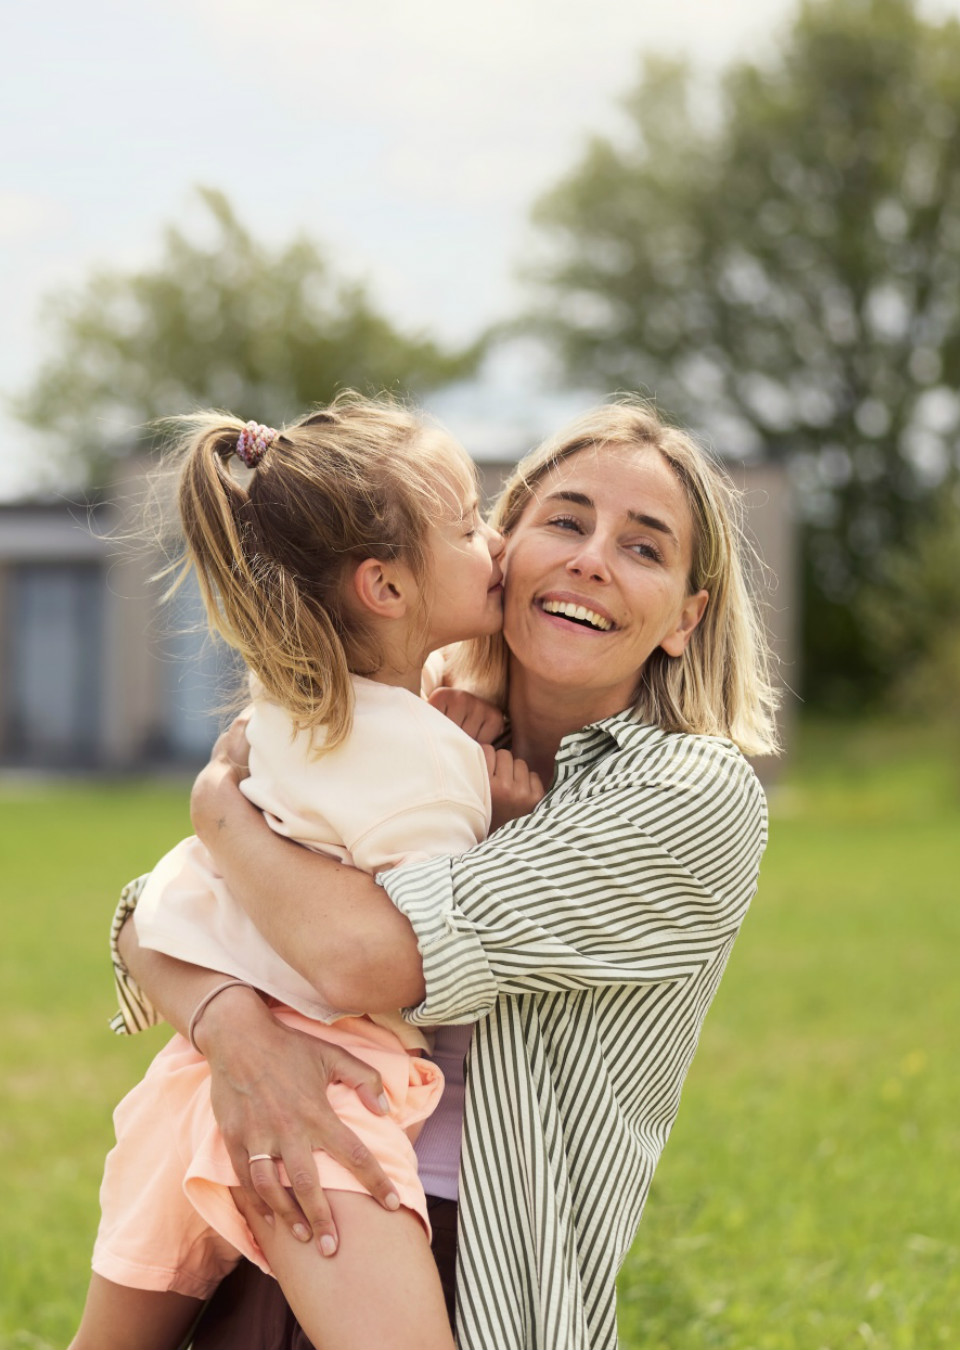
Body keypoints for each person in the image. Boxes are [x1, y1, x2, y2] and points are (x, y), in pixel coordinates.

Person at [112, 400, 781, 1350]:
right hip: (271, 1208)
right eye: (566, 521)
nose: (592, 558)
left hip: (472, 1269)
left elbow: (358, 958)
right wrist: (235, 1030)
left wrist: (219, 812)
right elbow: (147, 918)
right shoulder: (398, 720)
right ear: (506, 547)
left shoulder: (688, 794)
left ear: (685, 618)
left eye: (643, 547)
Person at [72, 393, 522, 1350]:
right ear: (385, 587)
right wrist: (503, 815)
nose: (496, 545)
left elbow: (177, 897)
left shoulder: (272, 721)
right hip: (329, 1097)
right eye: (468, 526)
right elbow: (422, 951)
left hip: (190, 1079)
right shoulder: (433, 760)